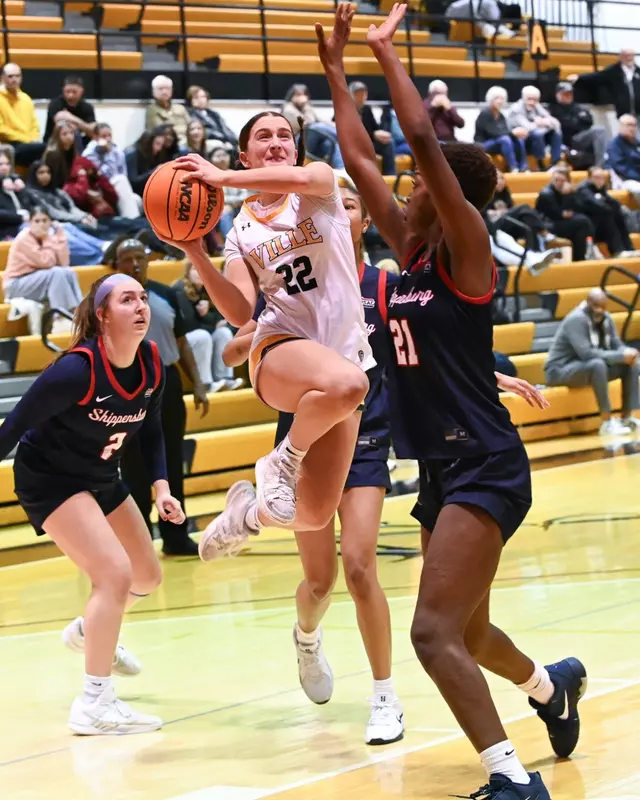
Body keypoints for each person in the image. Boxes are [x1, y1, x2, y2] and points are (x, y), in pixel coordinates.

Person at [317, 5, 585, 798]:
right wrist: (336, 72)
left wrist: (386, 53)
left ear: (448, 195)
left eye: (418, 184)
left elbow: (420, 142)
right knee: (467, 630)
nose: (403, 190)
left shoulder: (467, 250)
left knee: (431, 633)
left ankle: (512, 781)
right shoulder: (411, 253)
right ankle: (551, 687)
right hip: (443, 466)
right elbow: (360, 158)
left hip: (485, 464)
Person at [220, 184, 405, 745]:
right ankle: (306, 638)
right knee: (320, 581)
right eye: (335, 203)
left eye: (351, 205)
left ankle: (384, 696)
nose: (340, 209)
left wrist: (487, 374)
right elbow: (237, 344)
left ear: (362, 222)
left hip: (365, 434)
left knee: (361, 567)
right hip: (305, 429)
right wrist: (247, 343)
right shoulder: (290, 284)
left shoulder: (383, 287)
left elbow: (425, 352)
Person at [159, 115, 373, 559]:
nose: (276, 142)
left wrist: (221, 177)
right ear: (245, 155)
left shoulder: (320, 183)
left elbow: (301, 178)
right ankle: (282, 461)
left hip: (339, 358)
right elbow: (240, 310)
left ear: (295, 150)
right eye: (263, 136)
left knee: (314, 513)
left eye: (284, 136)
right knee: (351, 384)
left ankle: (245, 515)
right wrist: (196, 253)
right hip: (278, 349)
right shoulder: (240, 229)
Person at [0, 273, 185, 734]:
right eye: (127, 300)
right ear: (102, 315)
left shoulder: (152, 362)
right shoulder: (76, 370)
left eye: (143, 298)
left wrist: (162, 488)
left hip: (100, 476)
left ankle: (91, 630)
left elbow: (153, 430)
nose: (140, 306)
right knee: (114, 574)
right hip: (50, 479)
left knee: (146, 574)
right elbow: (14, 424)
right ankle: (94, 704)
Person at [107, 237, 209, 557]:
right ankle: (138, 543)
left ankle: (175, 536)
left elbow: (181, 343)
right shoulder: (106, 301)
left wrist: (198, 384)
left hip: (167, 382)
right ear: (116, 265)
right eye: (128, 259)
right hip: (126, 386)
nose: (135, 263)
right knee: (133, 466)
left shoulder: (165, 294)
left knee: (171, 461)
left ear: (149, 260)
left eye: (140, 257)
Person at [545, 288, 639, 436]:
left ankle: (628, 418)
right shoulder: (576, 319)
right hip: (560, 370)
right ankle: (607, 422)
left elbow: (616, 344)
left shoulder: (606, 318)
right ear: (588, 302)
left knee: (631, 364)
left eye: (602, 306)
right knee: (597, 365)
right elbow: (587, 354)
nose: (599, 310)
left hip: (585, 367)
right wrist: (620, 356)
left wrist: (628, 353)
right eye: (596, 306)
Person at [3, 206, 83, 330]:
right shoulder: (24, 238)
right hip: (16, 285)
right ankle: (59, 318)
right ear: (30, 222)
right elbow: (47, 262)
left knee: (68, 272)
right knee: (56, 273)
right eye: (37, 221)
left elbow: (64, 263)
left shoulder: (50, 237)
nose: (41, 224)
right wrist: (47, 240)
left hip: (40, 280)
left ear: (50, 222)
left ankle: (79, 312)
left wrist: (61, 237)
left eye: (45, 220)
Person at [173, 259, 244, 392]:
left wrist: (206, 316)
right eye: (195, 269)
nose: (200, 272)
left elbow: (220, 319)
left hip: (201, 333)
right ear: (187, 272)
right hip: (180, 340)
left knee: (223, 333)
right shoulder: (179, 290)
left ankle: (225, 379)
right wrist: (210, 321)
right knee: (203, 336)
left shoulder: (209, 289)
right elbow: (188, 326)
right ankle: (206, 384)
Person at [574, 167, 636, 257]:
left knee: (617, 212)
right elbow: (597, 205)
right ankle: (617, 250)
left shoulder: (600, 188)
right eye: (596, 177)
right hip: (589, 228)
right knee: (608, 214)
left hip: (600, 225)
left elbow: (612, 202)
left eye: (601, 178)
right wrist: (611, 208)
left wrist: (618, 207)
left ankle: (629, 248)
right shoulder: (583, 190)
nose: (599, 180)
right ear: (589, 178)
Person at [535, 167, 594, 262]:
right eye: (556, 180)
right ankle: (580, 257)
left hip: (558, 222)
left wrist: (571, 193)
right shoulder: (546, 194)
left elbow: (579, 208)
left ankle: (580, 257)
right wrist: (567, 196)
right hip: (548, 225)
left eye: (562, 180)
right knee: (583, 222)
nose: (559, 183)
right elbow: (559, 214)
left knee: (582, 223)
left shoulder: (566, 191)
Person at [548, 81, 607, 168]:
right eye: (565, 94)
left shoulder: (577, 107)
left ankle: (600, 165)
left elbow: (589, 120)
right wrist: (578, 120)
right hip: (568, 140)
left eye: (570, 93)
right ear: (558, 95)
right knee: (598, 130)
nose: (568, 96)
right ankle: (600, 166)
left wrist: (575, 121)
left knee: (599, 130)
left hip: (582, 137)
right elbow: (566, 126)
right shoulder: (553, 108)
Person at [507, 86, 563, 170]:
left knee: (557, 133)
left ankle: (555, 162)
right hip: (521, 141)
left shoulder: (537, 106)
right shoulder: (516, 109)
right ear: (523, 98)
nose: (532, 102)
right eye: (529, 99)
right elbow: (528, 128)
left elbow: (556, 123)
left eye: (535, 100)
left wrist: (544, 122)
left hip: (536, 140)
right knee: (538, 133)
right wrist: (541, 123)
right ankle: (541, 162)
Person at [0, 63, 45, 167]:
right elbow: (1, 129)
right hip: (9, 144)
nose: (14, 79)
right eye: (10, 76)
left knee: (50, 151)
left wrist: (34, 139)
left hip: (28, 143)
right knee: (42, 149)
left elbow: (34, 125)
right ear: (2, 78)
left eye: (17, 76)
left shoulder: (26, 98)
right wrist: (26, 139)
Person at [474, 86, 527, 172]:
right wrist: (513, 132)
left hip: (497, 142)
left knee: (518, 139)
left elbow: (504, 131)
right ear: (490, 100)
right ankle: (513, 167)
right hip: (483, 144)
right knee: (505, 139)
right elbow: (493, 133)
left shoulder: (501, 115)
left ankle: (523, 167)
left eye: (502, 98)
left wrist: (516, 134)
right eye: (497, 98)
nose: (500, 101)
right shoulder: (485, 113)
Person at [44, 75, 96, 148]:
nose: (70, 95)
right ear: (63, 90)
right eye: (67, 92)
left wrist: (69, 117)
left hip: (79, 143)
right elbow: (60, 122)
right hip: (55, 144)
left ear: (81, 91)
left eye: (74, 92)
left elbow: (93, 131)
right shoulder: (55, 104)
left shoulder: (87, 107)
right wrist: (84, 127)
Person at [145, 75, 190, 147]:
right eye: (160, 89)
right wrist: (181, 130)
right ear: (153, 92)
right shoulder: (152, 110)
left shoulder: (180, 108)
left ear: (171, 90)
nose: (164, 91)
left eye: (167, 88)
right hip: (169, 145)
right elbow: (159, 132)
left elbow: (190, 126)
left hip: (188, 141)